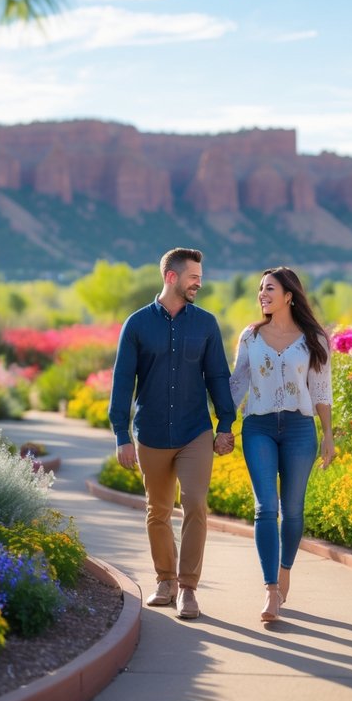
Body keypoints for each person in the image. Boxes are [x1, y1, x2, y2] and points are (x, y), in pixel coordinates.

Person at [109, 247, 236, 620]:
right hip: (149, 433)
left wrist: (225, 424)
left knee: (195, 503)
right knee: (158, 511)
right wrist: (121, 434)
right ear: (171, 277)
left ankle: (188, 588)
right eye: (194, 276)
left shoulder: (206, 324)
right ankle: (165, 581)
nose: (200, 282)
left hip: (194, 430)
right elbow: (122, 382)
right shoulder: (136, 325)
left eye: (200, 275)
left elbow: (217, 377)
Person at [229, 266, 334, 622]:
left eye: (269, 288)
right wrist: (221, 424)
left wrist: (329, 437)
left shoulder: (314, 339)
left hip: (299, 429)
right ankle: (271, 590)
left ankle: (285, 567)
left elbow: (321, 391)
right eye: (260, 289)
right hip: (257, 426)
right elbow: (237, 384)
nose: (262, 294)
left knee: (293, 509)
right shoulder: (250, 337)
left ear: (289, 295)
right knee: (265, 507)